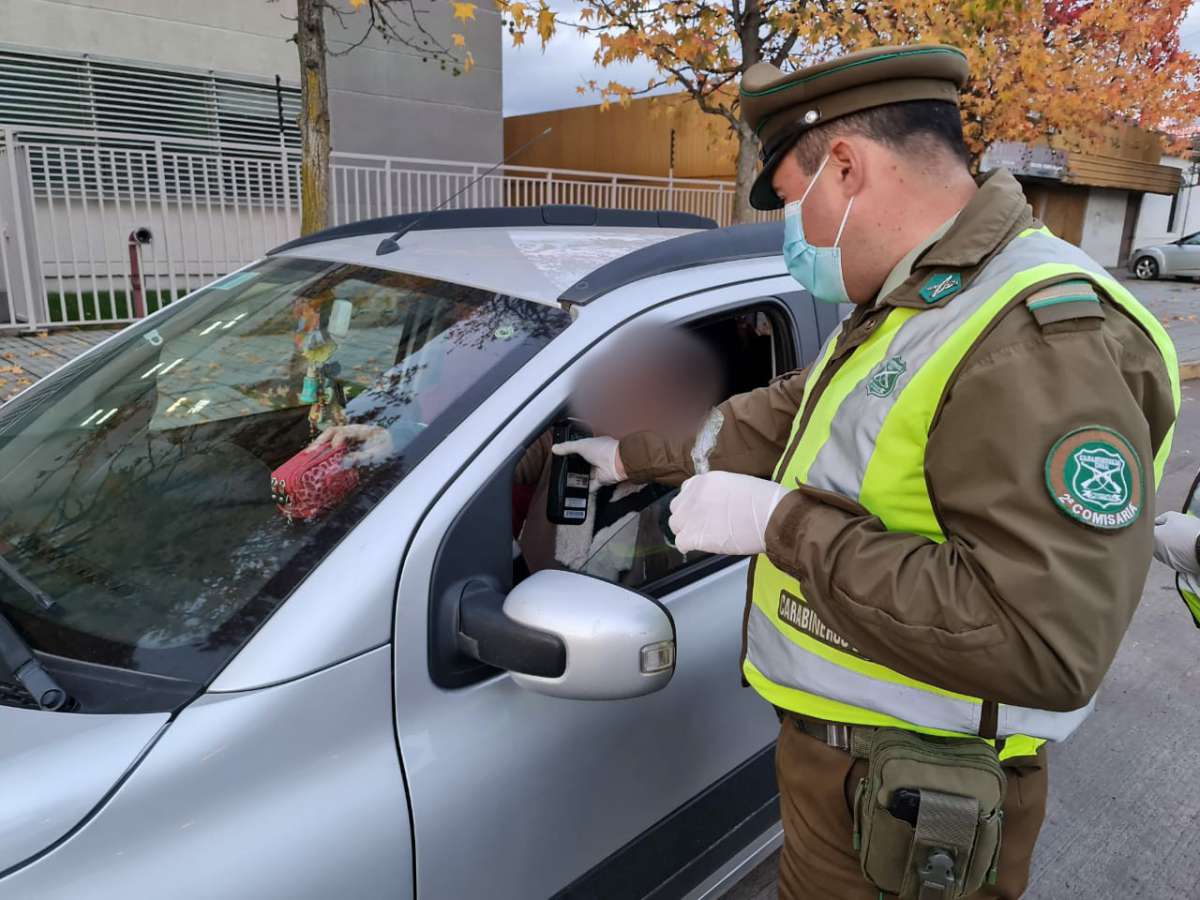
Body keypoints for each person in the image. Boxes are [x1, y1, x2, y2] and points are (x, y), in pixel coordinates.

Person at [555, 44, 1179, 899]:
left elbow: (1042, 641)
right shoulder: (919, 299)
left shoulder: (1032, 338)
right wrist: (631, 454)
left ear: (843, 168)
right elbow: (787, 413)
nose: (790, 236)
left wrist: (781, 525)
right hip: (854, 777)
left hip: (912, 811)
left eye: (787, 204)